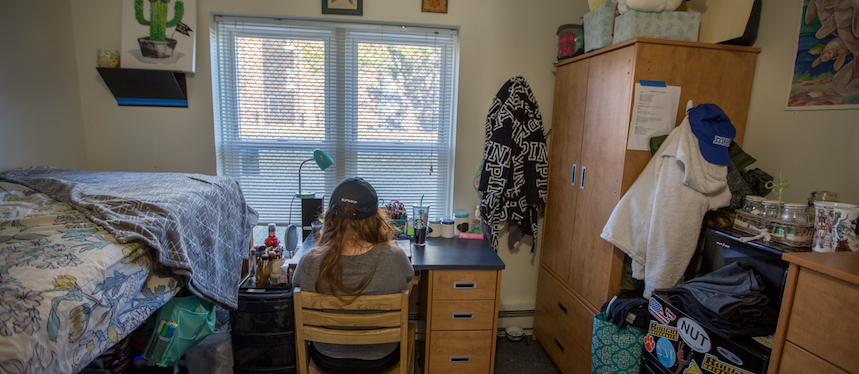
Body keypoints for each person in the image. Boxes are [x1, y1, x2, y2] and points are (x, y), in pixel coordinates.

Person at [292, 177, 414, 369]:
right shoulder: (395, 258)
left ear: (330, 217)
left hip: (327, 357)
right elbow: (406, 291)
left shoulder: (309, 261)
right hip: (380, 357)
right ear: (375, 219)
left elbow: (298, 287)